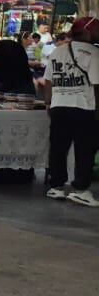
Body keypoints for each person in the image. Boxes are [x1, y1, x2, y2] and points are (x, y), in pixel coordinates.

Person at [40, 15, 99, 206]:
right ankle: (80, 189)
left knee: (58, 147)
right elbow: (97, 84)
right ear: (88, 32)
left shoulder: (58, 51)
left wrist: (48, 102)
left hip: (58, 105)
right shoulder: (93, 53)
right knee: (85, 150)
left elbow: (48, 80)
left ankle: (56, 186)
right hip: (84, 106)